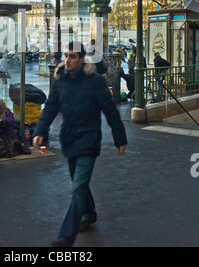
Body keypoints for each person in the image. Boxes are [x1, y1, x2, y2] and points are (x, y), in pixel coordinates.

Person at [32, 41, 127, 247]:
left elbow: (110, 110)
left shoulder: (95, 81)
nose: (67, 59)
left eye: (72, 56)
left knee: (77, 188)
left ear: (82, 59)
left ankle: (67, 236)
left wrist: (120, 137)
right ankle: (89, 213)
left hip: (88, 140)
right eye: (66, 55)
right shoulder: (60, 81)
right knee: (79, 182)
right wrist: (40, 130)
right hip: (70, 140)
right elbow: (50, 107)